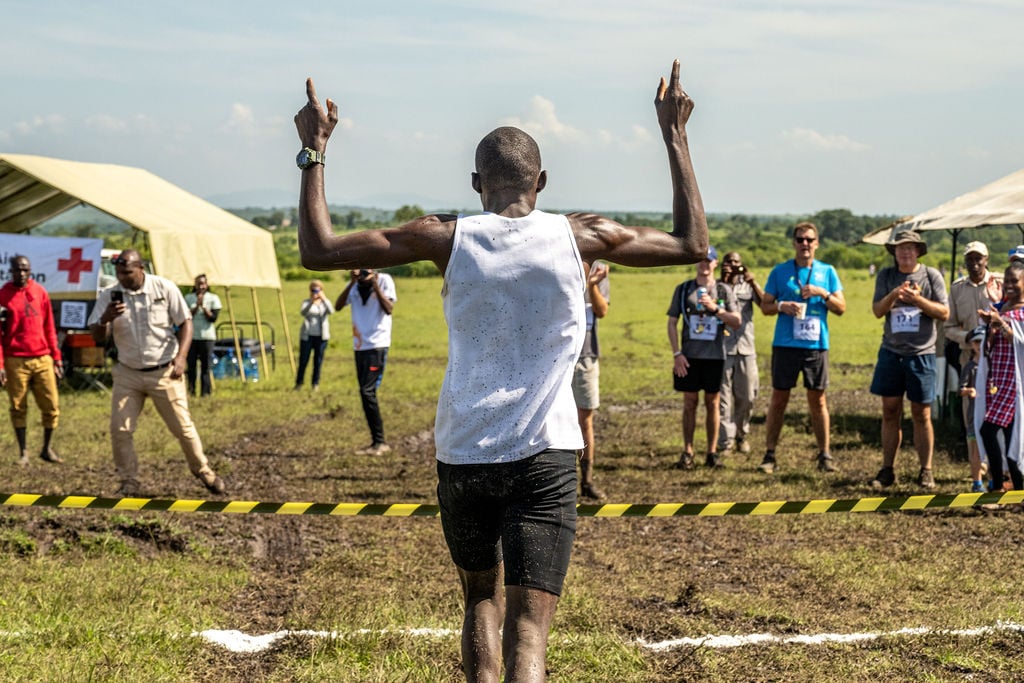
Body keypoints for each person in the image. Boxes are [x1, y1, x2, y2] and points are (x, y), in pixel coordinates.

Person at [294, 59, 708, 682]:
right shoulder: (582, 234)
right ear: (541, 179)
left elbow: (318, 249)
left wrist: (312, 152)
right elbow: (692, 245)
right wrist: (675, 135)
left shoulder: (444, 235)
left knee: (480, 604)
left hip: (464, 453)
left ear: (474, 182)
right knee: (530, 633)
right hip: (545, 456)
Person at [87, 250, 226, 497]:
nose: (123, 278)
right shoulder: (109, 295)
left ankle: (203, 471)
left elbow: (185, 322)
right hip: (128, 373)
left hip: (164, 371)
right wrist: (106, 318)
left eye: (127, 273)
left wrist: (182, 357)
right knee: (120, 429)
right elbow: (97, 336)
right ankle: (128, 480)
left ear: (141, 268)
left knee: (183, 428)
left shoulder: (164, 288)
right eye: (119, 273)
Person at [758, 222, 846, 474]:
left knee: (818, 400)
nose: (804, 244)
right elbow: (765, 306)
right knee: (778, 399)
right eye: (800, 240)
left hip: (816, 345)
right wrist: (782, 306)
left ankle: (824, 455)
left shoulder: (827, 271)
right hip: (785, 344)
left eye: (809, 240)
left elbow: (841, 308)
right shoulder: (780, 271)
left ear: (817, 243)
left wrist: (823, 293)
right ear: (794, 243)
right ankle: (769, 454)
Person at [867, 230, 949, 490]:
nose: (905, 253)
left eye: (910, 248)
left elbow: (944, 313)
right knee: (890, 410)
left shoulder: (931, 275)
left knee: (921, 413)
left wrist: (917, 299)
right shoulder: (886, 276)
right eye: (900, 248)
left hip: (921, 354)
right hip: (891, 352)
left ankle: (926, 470)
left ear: (918, 251)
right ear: (894, 252)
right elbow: (878, 311)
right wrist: (895, 295)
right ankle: (887, 469)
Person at [667, 246, 740, 468]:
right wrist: (677, 353)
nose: (704, 264)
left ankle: (711, 452)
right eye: (700, 259)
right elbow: (672, 322)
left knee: (713, 403)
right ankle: (687, 451)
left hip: (715, 356)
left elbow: (736, 321)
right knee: (689, 403)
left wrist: (715, 309)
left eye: (708, 260)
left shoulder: (723, 290)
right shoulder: (684, 289)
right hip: (689, 357)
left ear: (716, 263)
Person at [0, 255, 63, 465]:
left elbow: (49, 327)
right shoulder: (3, 296)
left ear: (31, 270)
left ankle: (46, 448)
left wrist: (56, 358)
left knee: (51, 404)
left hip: (42, 358)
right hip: (15, 359)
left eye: (25, 270)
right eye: (18, 270)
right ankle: (23, 452)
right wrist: (0, 364)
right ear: (11, 271)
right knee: (18, 407)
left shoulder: (40, 292)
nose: (22, 274)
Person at [335, 268, 397, 455]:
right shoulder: (354, 286)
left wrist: (375, 284)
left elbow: (389, 309)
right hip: (359, 346)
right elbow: (338, 306)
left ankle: (380, 442)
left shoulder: (384, 280)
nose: (363, 273)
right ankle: (377, 441)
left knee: (367, 391)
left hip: (377, 345)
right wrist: (352, 282)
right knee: (365, 393)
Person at [975, 260, 1024, 492]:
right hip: (998, 380)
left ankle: (997, 484)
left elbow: (1019, 340)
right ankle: (1016, 487)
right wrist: (991, 322)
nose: (1010, 285)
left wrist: (1000, 324)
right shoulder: (1003, 307)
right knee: (1010, 434)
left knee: (989, 430)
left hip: (1014, 384)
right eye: (1008, 281)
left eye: (1015, 281)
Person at [717, 251, 763, 455]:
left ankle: (741, 435)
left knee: (747, 396)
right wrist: (724, 281)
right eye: (729, 262)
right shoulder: (716, 286)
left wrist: (753, 283)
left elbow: (765, 305)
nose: (733, 265)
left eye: (736, 262)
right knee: (724, 398)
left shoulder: (747, 285)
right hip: (722, 347)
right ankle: (725, 442)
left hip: (746, 346)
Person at [574, 260, 610, 500]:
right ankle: (560, 481)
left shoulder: (599, 267)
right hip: (556, 356)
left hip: (586, 356)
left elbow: (602, 311)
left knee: (585, 420)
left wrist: (592, 285)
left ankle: (586, 481)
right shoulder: (559, 258)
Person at [943, 241, 1002, 374]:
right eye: (969, 259)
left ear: (986, 260)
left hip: (997, 350)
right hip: (968, 354)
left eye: (978, 258)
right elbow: (948, 327)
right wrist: (966, 336)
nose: (974, 263)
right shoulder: (957, 288)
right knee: (970, 391)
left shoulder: (999, 283)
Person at [184, 273, 221, 397]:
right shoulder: (188, 298)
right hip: (192, 337)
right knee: (191, 365)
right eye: (199, 284)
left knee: (206, 366)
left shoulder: (213, 298)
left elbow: (213, 318)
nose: (201, 286)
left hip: (207, 337)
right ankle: (191, 390)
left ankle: (205, 392)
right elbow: (186, 316)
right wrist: (196, 306)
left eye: (203, 284)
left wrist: (204, 308)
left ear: (207, 285)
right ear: (195, 285)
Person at [294, 279, 334, 391]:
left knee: (318, 361)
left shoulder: (325, 303)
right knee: (303, 360)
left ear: (322, 290)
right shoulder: (306, 302)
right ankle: (299, 383)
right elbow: (303, 313)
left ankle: (315, 384)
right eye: (313, 290)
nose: (315, 292)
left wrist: (324, 299)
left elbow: (331, 311)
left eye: (317, 289)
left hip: (321, 337)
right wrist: (312, 302)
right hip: (307, 336)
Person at [959, 325, 986, 492]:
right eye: (976, 342)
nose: (979, 346)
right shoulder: (970, 367)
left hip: (990, 415)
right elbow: (960, 390)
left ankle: (994, 481)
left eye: (982, 342)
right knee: (975, 450)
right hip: (973, 415)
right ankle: (977, 482)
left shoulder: (992, 364)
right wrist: (970, 390)